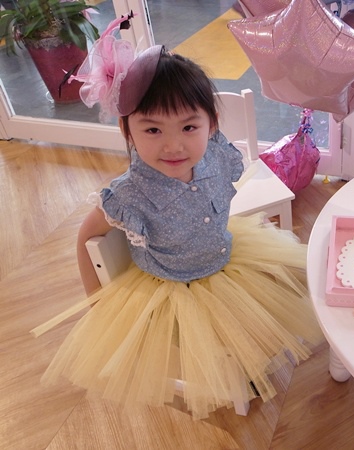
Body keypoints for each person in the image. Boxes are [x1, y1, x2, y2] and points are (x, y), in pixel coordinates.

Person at [31, 15, 323, 420]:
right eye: (152, 130)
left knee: (282, 298)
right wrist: (95, 299)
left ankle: (249, 363)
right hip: (174, 287)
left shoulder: (216, 153)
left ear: (211, 125)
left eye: (188, 127)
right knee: (217, 332)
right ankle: (230, 372)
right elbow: (86, 237)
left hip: (227, 259)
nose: (173, 146)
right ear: (128, 131)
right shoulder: (129, 193)